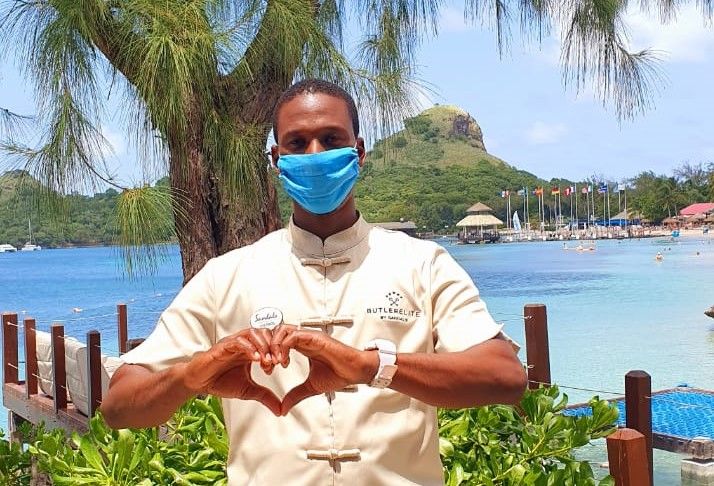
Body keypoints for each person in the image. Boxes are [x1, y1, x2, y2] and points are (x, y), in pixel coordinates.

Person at [101, 79, 527, 485]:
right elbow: (120, 406)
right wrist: (194, 374)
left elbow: (504, 375)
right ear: (276, 159)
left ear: (359, 152)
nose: (315, 153)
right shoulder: (225, 276)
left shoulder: (423, 264)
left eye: (331, 139)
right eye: (297, 143)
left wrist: (372, 366)